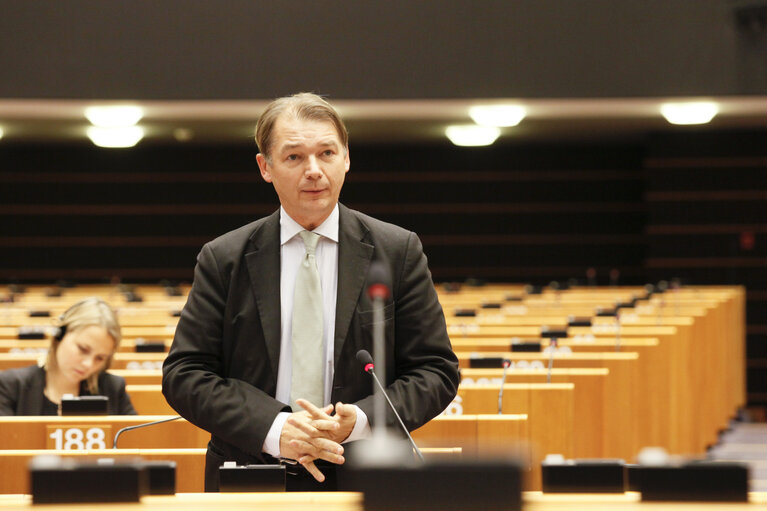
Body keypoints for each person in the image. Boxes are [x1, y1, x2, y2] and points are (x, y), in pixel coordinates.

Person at [162, 92, 459, 491]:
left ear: (347, 158)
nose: (314, 170)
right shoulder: (224, 258)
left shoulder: (397, 251)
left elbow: (435, 370)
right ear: (265, 167)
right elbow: (186, 374)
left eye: (327, 153)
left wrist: (364, 419)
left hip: (369, 474)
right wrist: (274, 425)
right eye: (294, 157)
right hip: (252, 471)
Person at [0, 297, 137, 415]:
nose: (88, 364)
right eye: (83, 349)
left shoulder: (113, 388)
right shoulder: (10, 386)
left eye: (100, 358)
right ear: (59, 335)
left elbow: (137, 440)